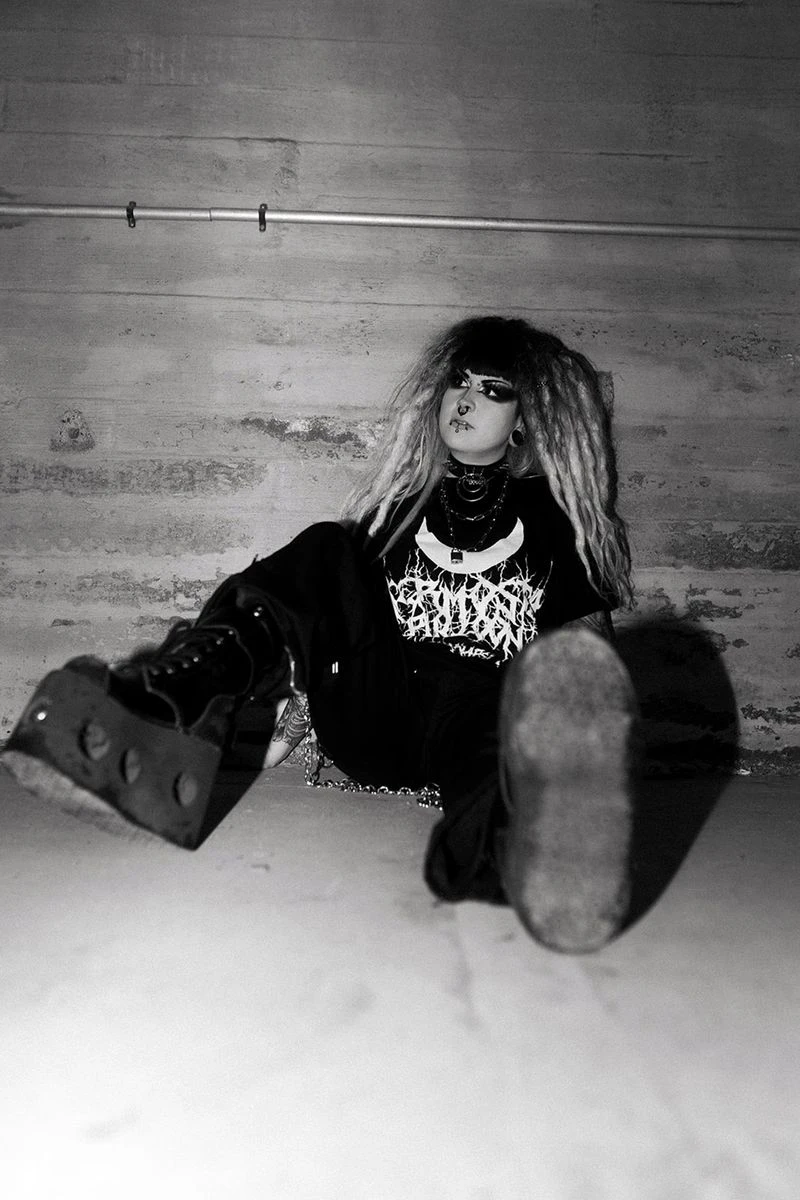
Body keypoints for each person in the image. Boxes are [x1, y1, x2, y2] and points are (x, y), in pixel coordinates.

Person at [2, 316, 638, 954]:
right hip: (382, 707)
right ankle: (181, 698)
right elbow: (332, 617)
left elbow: (585, 654)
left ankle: (530, 857)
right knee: (330, 546)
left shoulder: (555, 526)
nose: (465, 399)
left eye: (492, 390)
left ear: (525, 420)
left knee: (494, 757)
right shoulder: (396, 510)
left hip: (480, 714)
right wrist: (280, 735)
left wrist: (582, 730)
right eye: (459, 381)